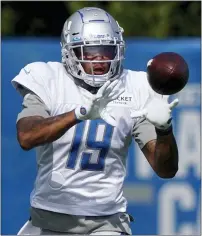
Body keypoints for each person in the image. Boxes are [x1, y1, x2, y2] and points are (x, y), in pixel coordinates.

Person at [12, 7, 179, 236]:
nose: (100, 59)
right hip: (46, 219)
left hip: (106, 222)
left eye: (107, 50)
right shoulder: (49, 79)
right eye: (90, 51)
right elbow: (27, 137)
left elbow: (165, 169)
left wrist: (164, 130)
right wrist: (78, 113)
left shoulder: (135, 86)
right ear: (69, 52)